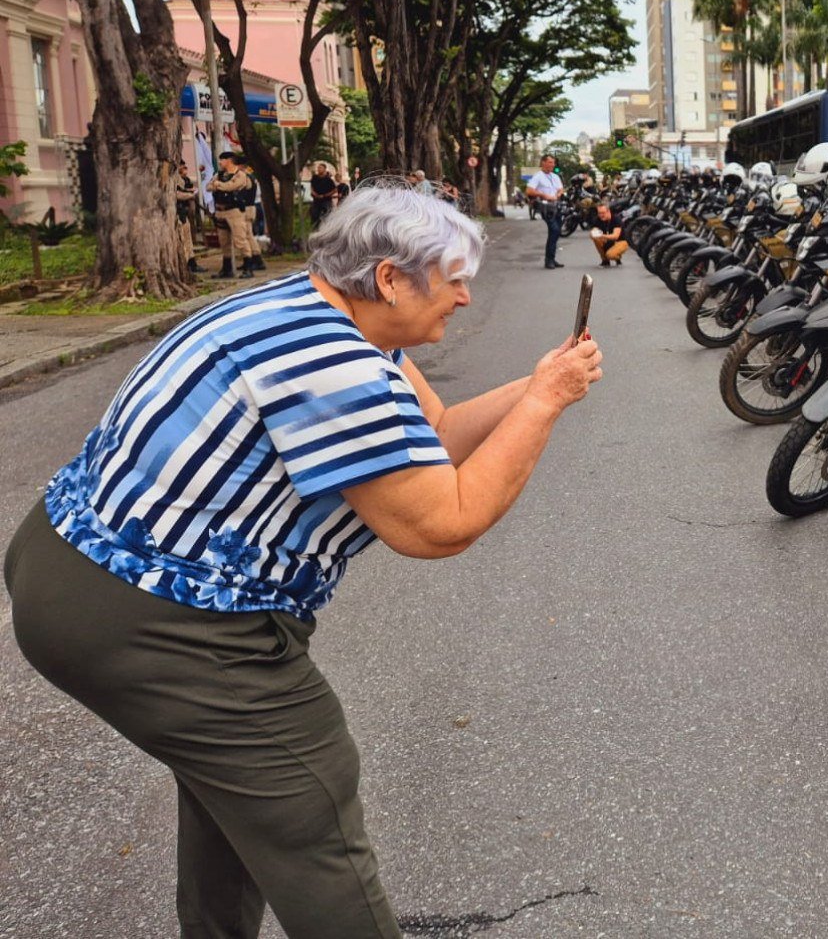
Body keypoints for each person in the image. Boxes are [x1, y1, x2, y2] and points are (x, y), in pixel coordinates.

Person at [3, 185, 603, 938]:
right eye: (453, 276)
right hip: (160, 621)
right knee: (310, 805)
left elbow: (438, 432)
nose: (463, 295)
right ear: (390, 278)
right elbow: (441, 524)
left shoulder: (303, 307)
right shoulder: (333, 367)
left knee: (242, 793)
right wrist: (544, 406)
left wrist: (542, 381)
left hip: (72, 563)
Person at [207, 149, 257, 280]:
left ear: (229, 161)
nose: (220, 162)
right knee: (224, 242)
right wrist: (219, 185)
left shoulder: (240, 175)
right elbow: (208, 187)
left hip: (234, 211)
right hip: (220, 211)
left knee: (241, 240)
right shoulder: (219, 174)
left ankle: (248, 267)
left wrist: (218, 185)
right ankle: (226, 269)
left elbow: (231, 186)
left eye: (222, 160)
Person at [528, 154, 565, 269]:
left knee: (557, 231)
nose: (552, 165)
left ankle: (552, 258)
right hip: (545, 207)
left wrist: (558, 194)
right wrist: (544, 195)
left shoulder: (555, 176)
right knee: (554, 230)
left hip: (556, 205)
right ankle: (548, 260)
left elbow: (560, 189)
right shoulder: (538, 176)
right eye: (549, 162)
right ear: (543, 163)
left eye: (553, 163)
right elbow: (529, 191)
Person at [176, 164, 199, 275]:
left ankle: (192, 263)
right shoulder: (174, 179)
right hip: (177, 215)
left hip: (184, 213)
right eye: (182, 166)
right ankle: (185, 264)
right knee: (183, 241)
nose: (184, 169)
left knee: (188, 240)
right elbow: (176, 194)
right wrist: (189, 195)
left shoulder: (184, 179)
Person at [590, 199, 626, 266]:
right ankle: (605, 260)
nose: (601, 215)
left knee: (610, 255)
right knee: (594, 237)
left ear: (608, 211)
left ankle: (617, 257)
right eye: (599, 213)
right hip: (607, 240)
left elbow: (615, 236)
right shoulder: (598, 219)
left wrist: (602, 235)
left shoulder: (616, 219)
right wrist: (594, 233)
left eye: (603, 213)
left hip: (619, 241)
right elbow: (593, 231)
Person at [309, 161, 338, 228]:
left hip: (326, 200)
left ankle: (327, 227)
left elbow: (334, 190)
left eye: (321, 168)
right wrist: (314, 193)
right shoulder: (315, 178)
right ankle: (316, 227)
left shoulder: (328, 180)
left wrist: (325, 195)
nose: (319, 169)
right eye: (318, 168)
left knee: (327, 214)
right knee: (314, 214)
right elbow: (311, 187)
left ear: (324, 169)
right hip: (316, 200)